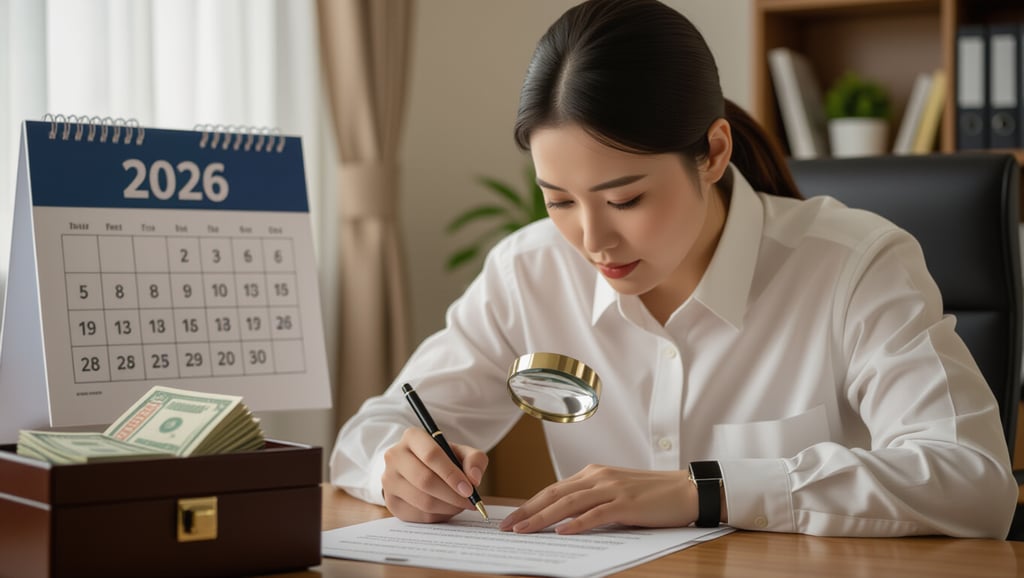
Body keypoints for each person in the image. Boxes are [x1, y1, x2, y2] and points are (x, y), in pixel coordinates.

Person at [330, 0, 1017, 538]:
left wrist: (708, 491)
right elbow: (367, 436)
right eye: (559, 200)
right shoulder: (530, 270)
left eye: (625, 198)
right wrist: (400, 467)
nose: (592, 239)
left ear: (714, 152)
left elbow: (974, 481)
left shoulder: (855, 266)